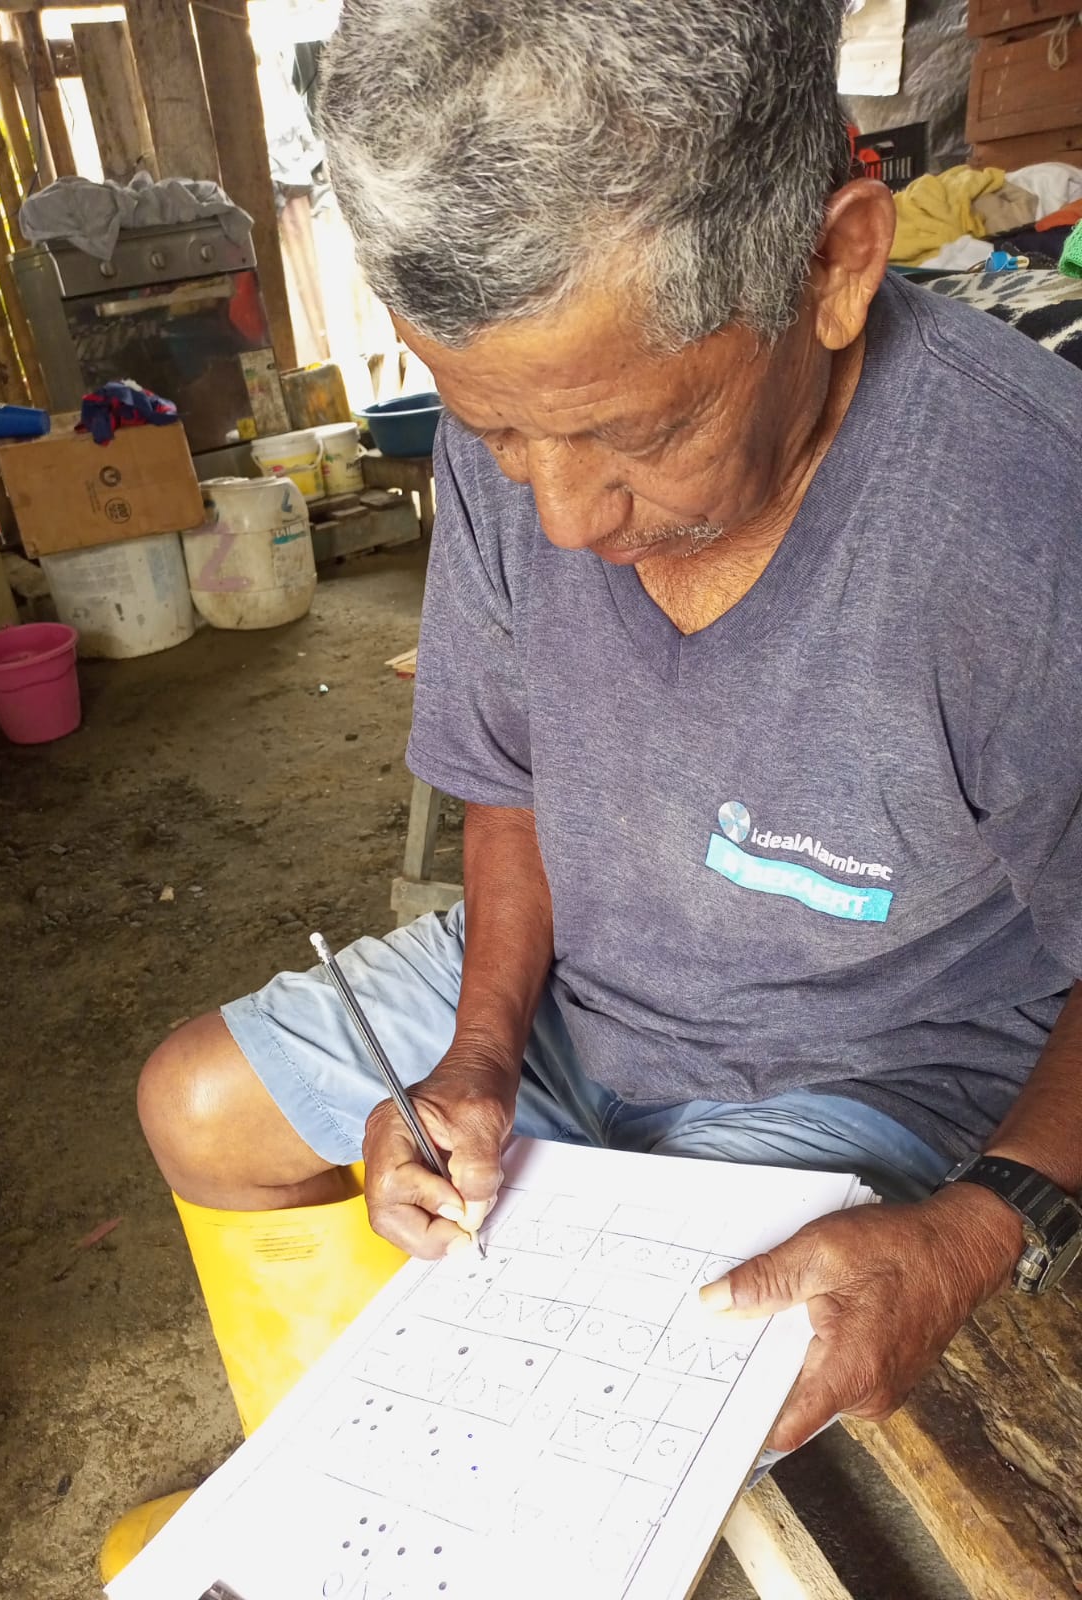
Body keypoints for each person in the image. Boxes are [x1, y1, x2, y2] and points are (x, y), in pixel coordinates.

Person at [103, 0, 1082, 1576]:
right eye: (496, 435)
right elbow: (512, 779)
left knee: (605, 1429)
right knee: (198, 1106)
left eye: (639, 435)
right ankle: (330, 1521)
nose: (560, 519)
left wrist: (984, 1227)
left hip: (862, 1070)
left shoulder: (1029, 518)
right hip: (577, 996)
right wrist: (480, 1058)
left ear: (835, 267)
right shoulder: (540, 409)